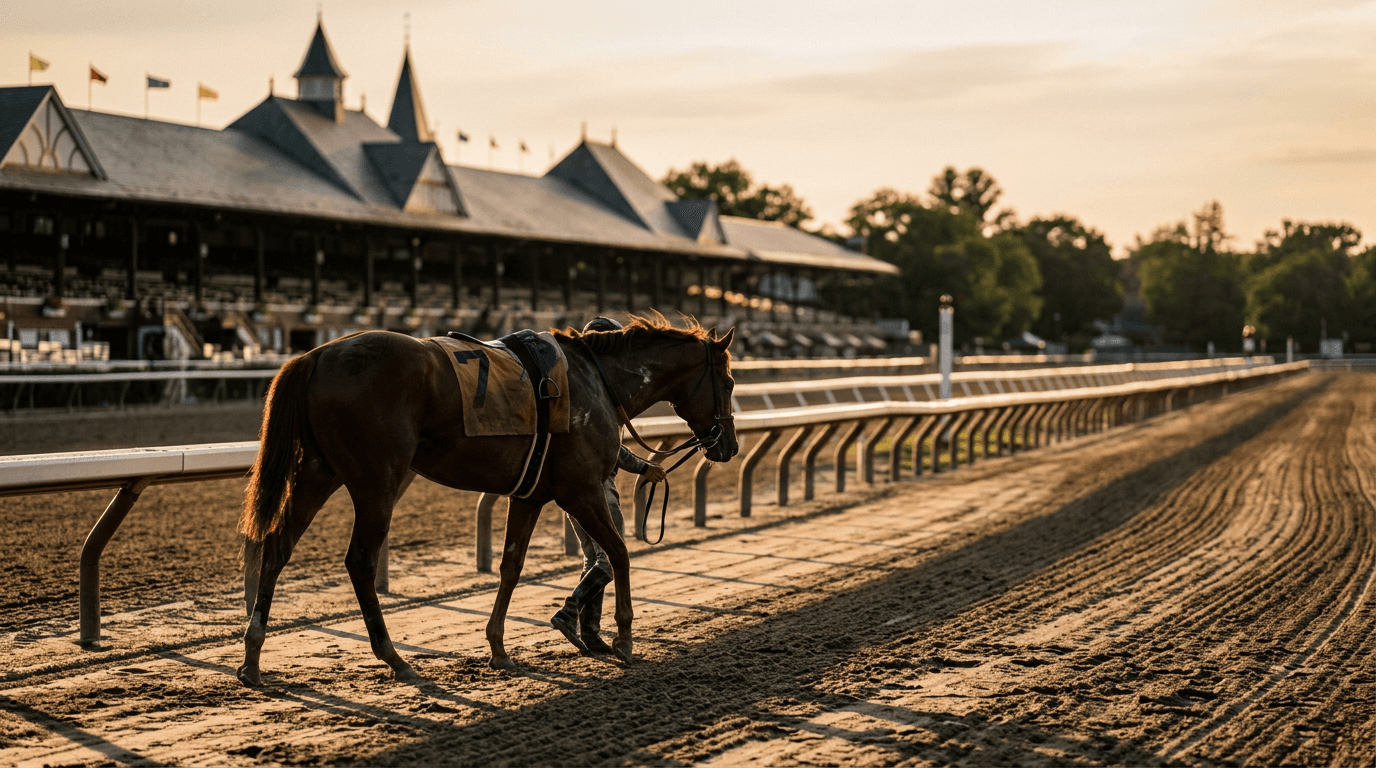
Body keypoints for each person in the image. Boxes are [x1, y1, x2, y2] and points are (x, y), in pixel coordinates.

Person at [550, 317, 666, 654]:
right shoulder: (597, 390)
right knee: (610, 560)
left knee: (593, 560)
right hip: (598, 490)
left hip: (571, 491)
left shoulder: (574, 383)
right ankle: (568, 612)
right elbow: (609, 449)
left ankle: (590, 634)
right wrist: (644, 467)